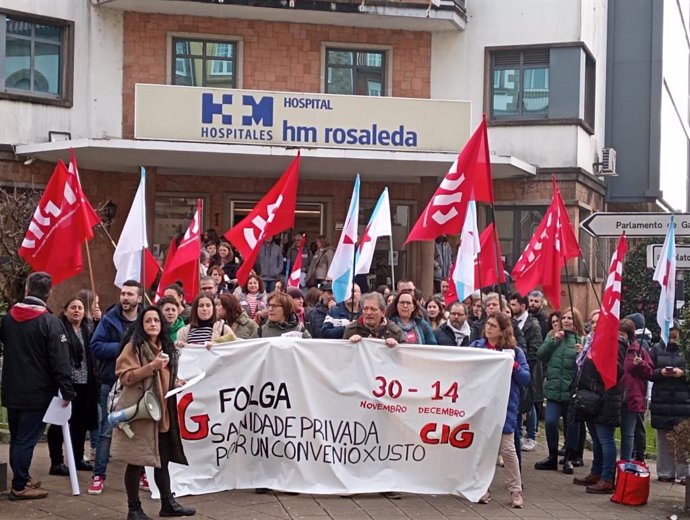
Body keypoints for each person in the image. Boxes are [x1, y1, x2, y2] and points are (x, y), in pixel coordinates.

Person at [111, 306, 195, 519]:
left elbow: (164, 376)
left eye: (156, 320)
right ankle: (134, 509)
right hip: (142, 414)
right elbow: (125, 376)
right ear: (141, 324)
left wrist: (176, 381)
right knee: (136, 461)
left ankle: (167, 503)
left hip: (162, 413)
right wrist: (152, 366)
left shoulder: (165, 345)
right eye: (148, 321)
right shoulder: (134, 347)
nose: (153, 324)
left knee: (163, 459)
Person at [1, 272, 76, 500]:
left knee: (17, 437)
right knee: (27, 439)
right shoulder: (50, 323)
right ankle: (20, 485)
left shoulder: (8, 319)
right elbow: (60, 361)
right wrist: (68, 390)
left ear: (26, 290)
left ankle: (21, 477)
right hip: (37, 392)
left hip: (12, 388)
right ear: (49, 292)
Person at [470, 313, 530, 508]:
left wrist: (512, 365)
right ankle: (482, 488)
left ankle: (516, 490)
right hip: (481, 406)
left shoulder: (514, 352)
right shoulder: (477, 348)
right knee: (482, 449)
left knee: (508, 449)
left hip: (505, 406)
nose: (488, 328)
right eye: (487, 324)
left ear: (503, 330)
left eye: (493, 326)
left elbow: (525, 379)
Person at [89, 280, 143, 495]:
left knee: (141, 429)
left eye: (130, 294)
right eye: (123, 293)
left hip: (140, 383)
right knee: (107, 430)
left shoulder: (146, 318)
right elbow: (96, 346)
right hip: (112, 383)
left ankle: (142, 474)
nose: (125, 298)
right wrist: (124, 347)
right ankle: (98, 475)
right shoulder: (109, 319)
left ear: (139, 298)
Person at [572, 319, 628, 493]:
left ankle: (607, 478)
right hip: (592, 397)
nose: (595, 325)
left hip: (606, 398)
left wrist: (601, 358)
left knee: (605, 439)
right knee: (596, 438)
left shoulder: (615, 343)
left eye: (600, 321)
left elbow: (617, 371)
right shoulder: (594, 340)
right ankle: (596, 472)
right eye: (593, 322)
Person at [47, 297, 99, 476]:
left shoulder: (89, 329)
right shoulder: (59, 328)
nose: (77, 310)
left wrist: (99, 321)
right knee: (59, 423)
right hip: (65, 383)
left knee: (81, 424)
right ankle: (57, 462)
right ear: (66, 310)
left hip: (86, 382)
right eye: (73, 307)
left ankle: (77, 459)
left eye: (80, 308)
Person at [534, 307, 583, 471]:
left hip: (571, 392)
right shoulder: (552, 336)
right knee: (550, 422)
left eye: (570, 318)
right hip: (554, 390)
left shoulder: (579, 340)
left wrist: (581, 353)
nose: (566, 321)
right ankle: (552, 456)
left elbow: (584, 365)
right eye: (564, 318)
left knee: (571, 426)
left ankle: (569, 458)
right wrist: (553, 341)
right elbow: (540, 355)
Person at [649, 321, 690, 483]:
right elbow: (649, 372)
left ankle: (684, 473)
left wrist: (683, 373)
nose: (673, 339)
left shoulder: (686, 350)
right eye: (670, 336)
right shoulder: (656, 350)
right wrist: (661, 372)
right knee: (663, 438)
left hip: (683, 401)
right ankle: (665, 472)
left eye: (675, 336)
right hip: (662, 401)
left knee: (682, 439)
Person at [508, 292, 543, 453]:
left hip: (526, 369)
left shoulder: (532, 324)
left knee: (529, 403)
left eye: (514, 305)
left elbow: (535, 349)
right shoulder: (513, 323)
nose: (511, 307)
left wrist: (523, 366)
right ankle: (521, 433)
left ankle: (532, 435)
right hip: (514, 371)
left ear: (522, 306)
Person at [619, 318, 653, 462]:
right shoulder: (613, 348)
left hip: (631, 397)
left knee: (628, 433)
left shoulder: (640, 351)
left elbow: (650, 373)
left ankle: (625, 463)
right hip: (614, 396)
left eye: (623, 334)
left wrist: (641, 364)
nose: (620, 337)